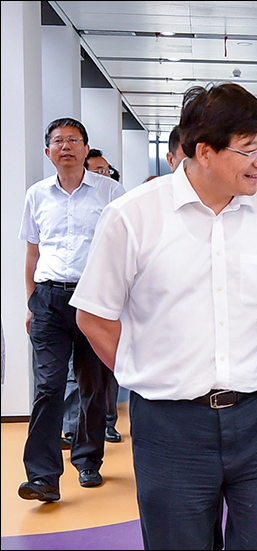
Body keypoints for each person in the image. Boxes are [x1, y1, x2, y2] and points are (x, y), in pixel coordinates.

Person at [70, 83, 257, 550]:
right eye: (250, 149)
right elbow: (93, 317)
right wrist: (147, 371)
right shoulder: (132, 216)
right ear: (205, 151)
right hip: (170, 426)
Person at [17, 118, 125, 502]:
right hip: (48, 299)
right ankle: (43, 477)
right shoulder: (36, 195)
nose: (66, 146)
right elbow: (32, 254)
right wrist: (31, 302)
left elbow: (122, 252)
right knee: (48, 386)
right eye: (59, 141)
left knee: (92, 384)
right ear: (48, 151)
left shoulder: (111, 193)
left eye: (73, 140)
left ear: (85, 148)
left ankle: (88, 459)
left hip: (94, 299)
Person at [60, 149, 124, 446]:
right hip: (65, 292)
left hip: (105, 292)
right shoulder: (58, 199)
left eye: (106, 170)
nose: (103, 175)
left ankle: (107, 422)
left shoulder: (114, 196)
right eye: (97, 170)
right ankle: (72, 427)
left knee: (103, 368)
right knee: (72, 371)